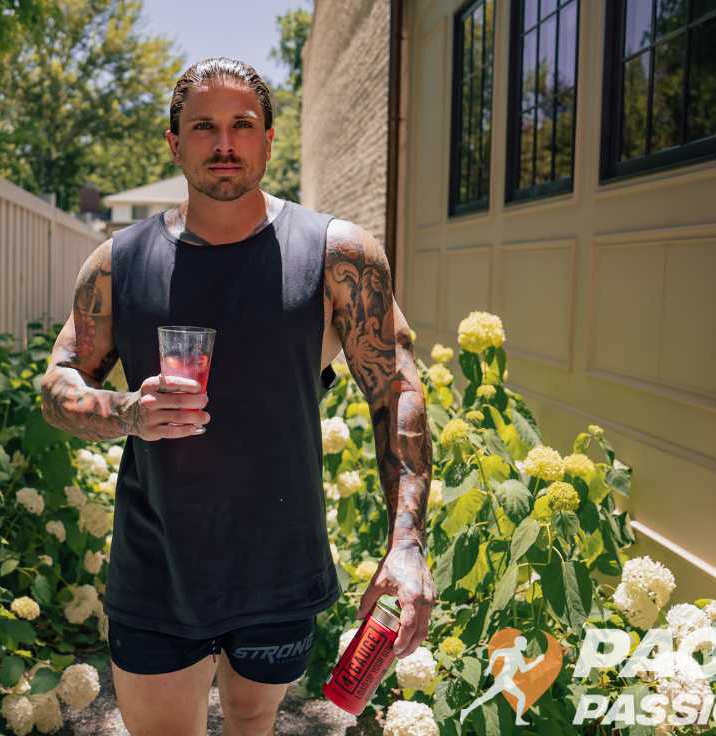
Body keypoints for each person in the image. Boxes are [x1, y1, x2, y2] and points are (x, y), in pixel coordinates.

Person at [40, 57, 436, 736]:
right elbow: (58, 384)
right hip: (157, 565)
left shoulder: (336, 255)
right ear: (174, 143)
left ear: (269, 139)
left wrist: (407, 544)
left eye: (242, 125)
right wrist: (128, 412)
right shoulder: (119, 263)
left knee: (254, 721)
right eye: (203, 127)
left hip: (279, 565)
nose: (224, 143)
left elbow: (396, 391)